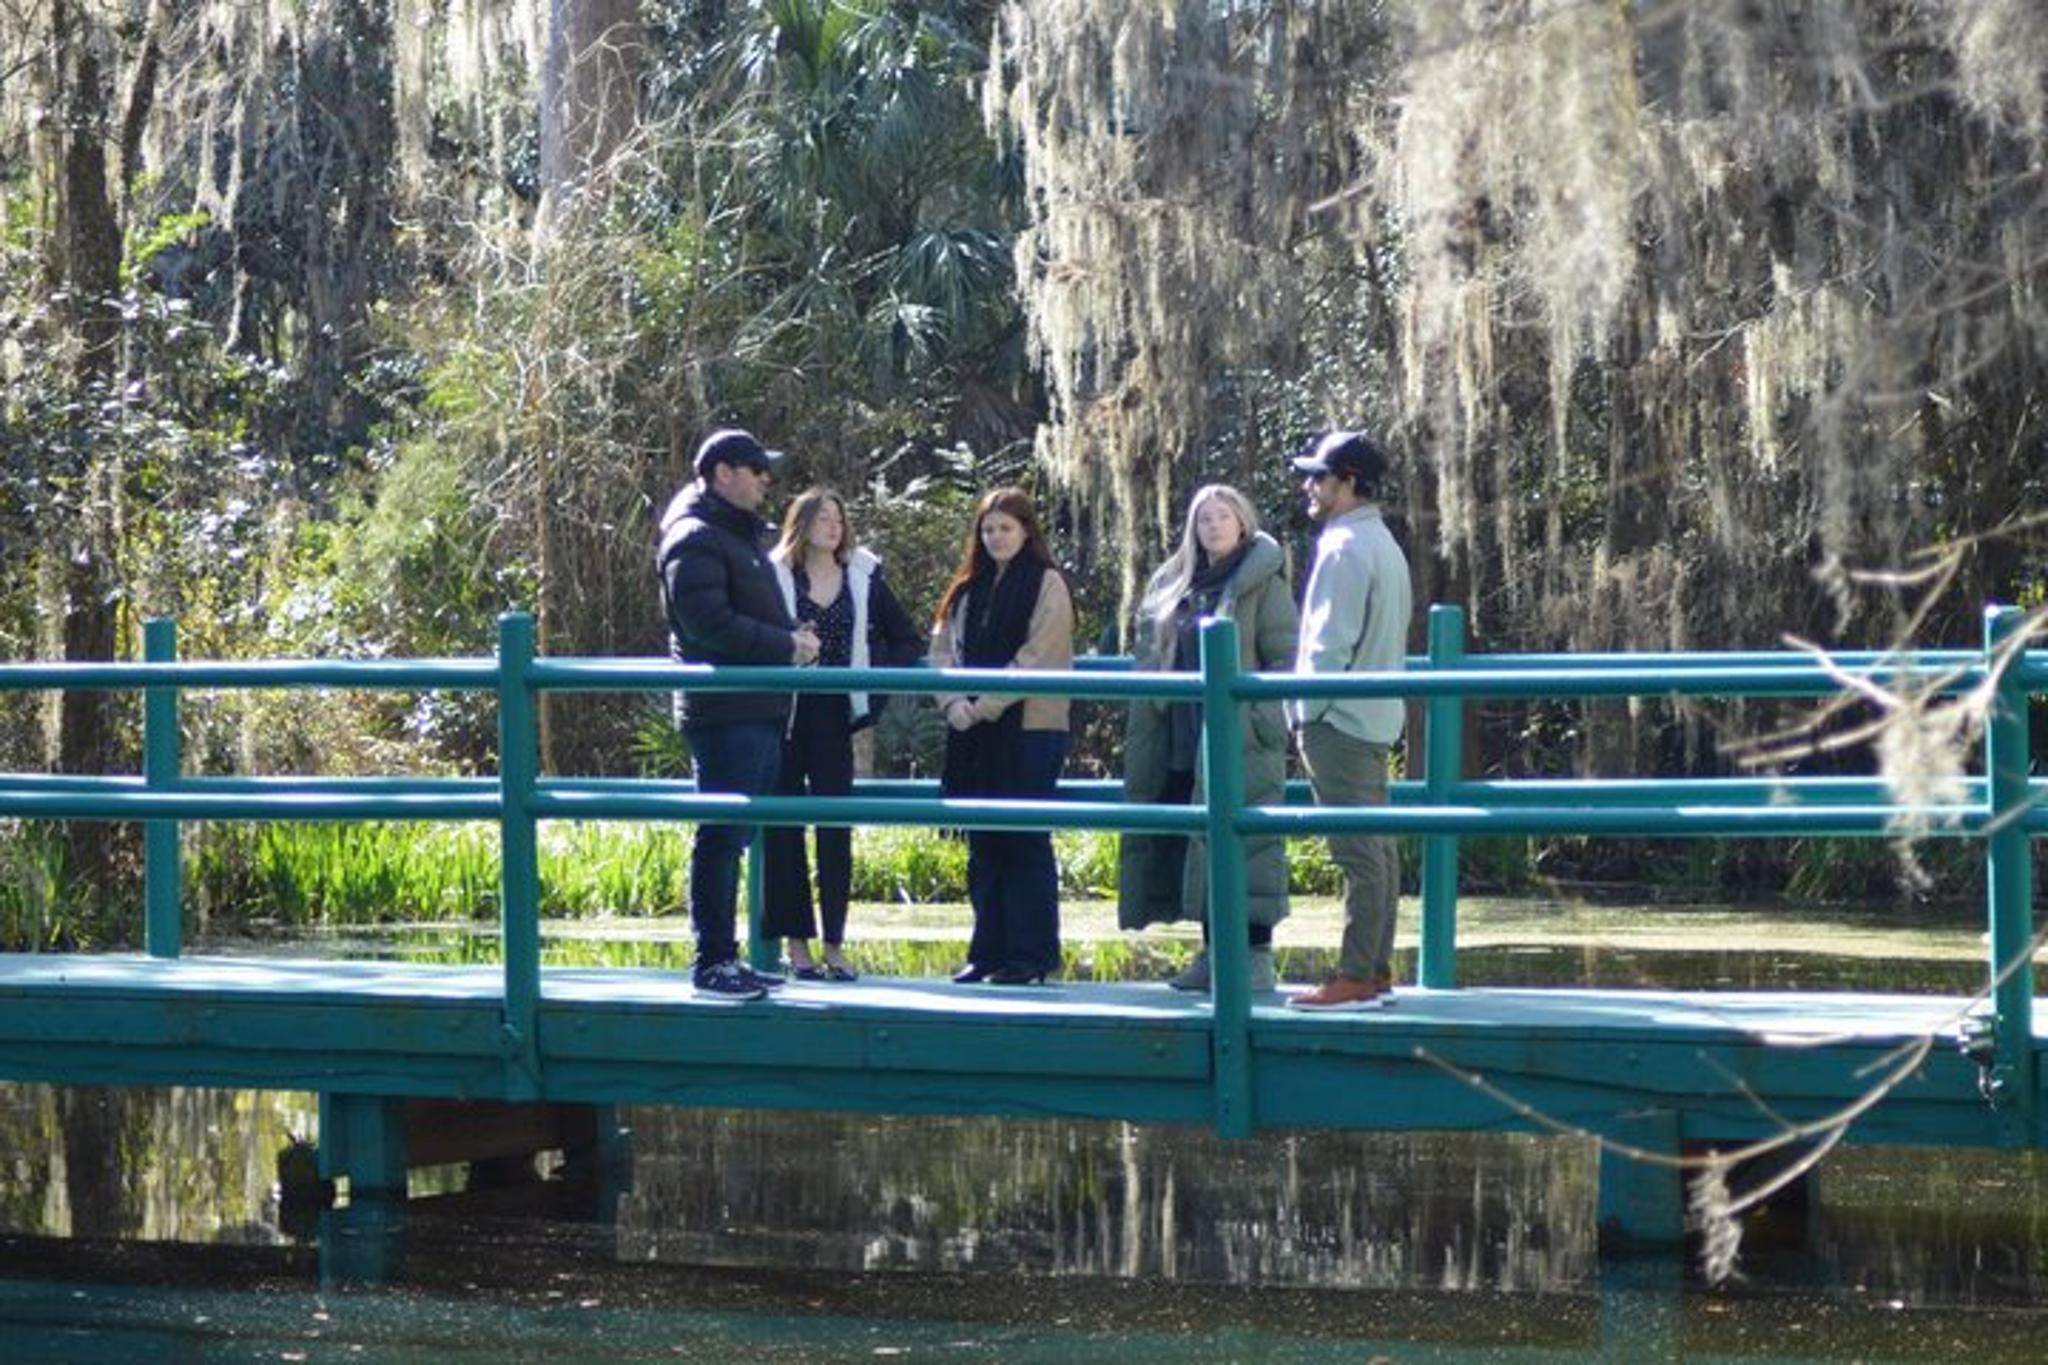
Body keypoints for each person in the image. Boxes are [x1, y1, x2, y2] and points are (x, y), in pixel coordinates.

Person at [656, 428, 821, 1001]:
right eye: (756, 469)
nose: (766, 480)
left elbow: (735, 615)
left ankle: (729, 958)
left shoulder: (733, 534)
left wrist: (789, 638)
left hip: (753, 706)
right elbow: (705, 623)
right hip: (725, 711)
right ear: (723, 473)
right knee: (722, 835)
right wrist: (783, 647)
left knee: (736, 834)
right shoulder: (696, 537)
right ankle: (714, 962)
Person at [1117, 485, 1298, 994]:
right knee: (1199, 843)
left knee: (1249, 847)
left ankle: (1254, 957)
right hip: (1179, 735)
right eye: (1204, 520)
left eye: (1223, 517)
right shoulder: (1177, 583)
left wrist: (1261, 716)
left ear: (1243, 522)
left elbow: (1285, 656)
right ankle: (1213, 954)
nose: (1213, 527)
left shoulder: (1264, 582)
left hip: (1240, 737)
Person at [762, 488, 924, 981]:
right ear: (802, 523)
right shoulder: (774, 575)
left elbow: (906, 640)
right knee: (783, 828)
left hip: (835, 715)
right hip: (783, 715)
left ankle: (834, 946)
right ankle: (798, 950)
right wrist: (788, 651)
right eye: (823, 517)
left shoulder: (863, 575)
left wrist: (870, 690)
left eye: (839, 516)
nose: (833, 525)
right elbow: (752, 639)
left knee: (835, 828)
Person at [1284, 430, 1414, 1011]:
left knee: (1357, 853)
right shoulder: (1382, 541)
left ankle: (1356, 973)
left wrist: (1305, 713)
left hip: (1339, 718)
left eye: (1319, 477)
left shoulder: (1342, 547)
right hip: (1374, 715)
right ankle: (1375, 969)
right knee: (1378, 849)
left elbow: (1327, 645)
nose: (1309, 487)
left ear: (1350, 482)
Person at [929, 488, 1075, 985]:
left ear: (1026, 531)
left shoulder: (1047, 583)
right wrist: (953, 704)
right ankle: (987, 951)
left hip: (1030, 730)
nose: (995, 538)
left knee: (1024, 840)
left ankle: (1031, 956)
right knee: (984, 843)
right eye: (988, 529)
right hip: (973, 735)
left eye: (1005, 528)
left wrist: (983, 705)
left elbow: (1041, 654)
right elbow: (942, 649)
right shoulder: (968, 588)